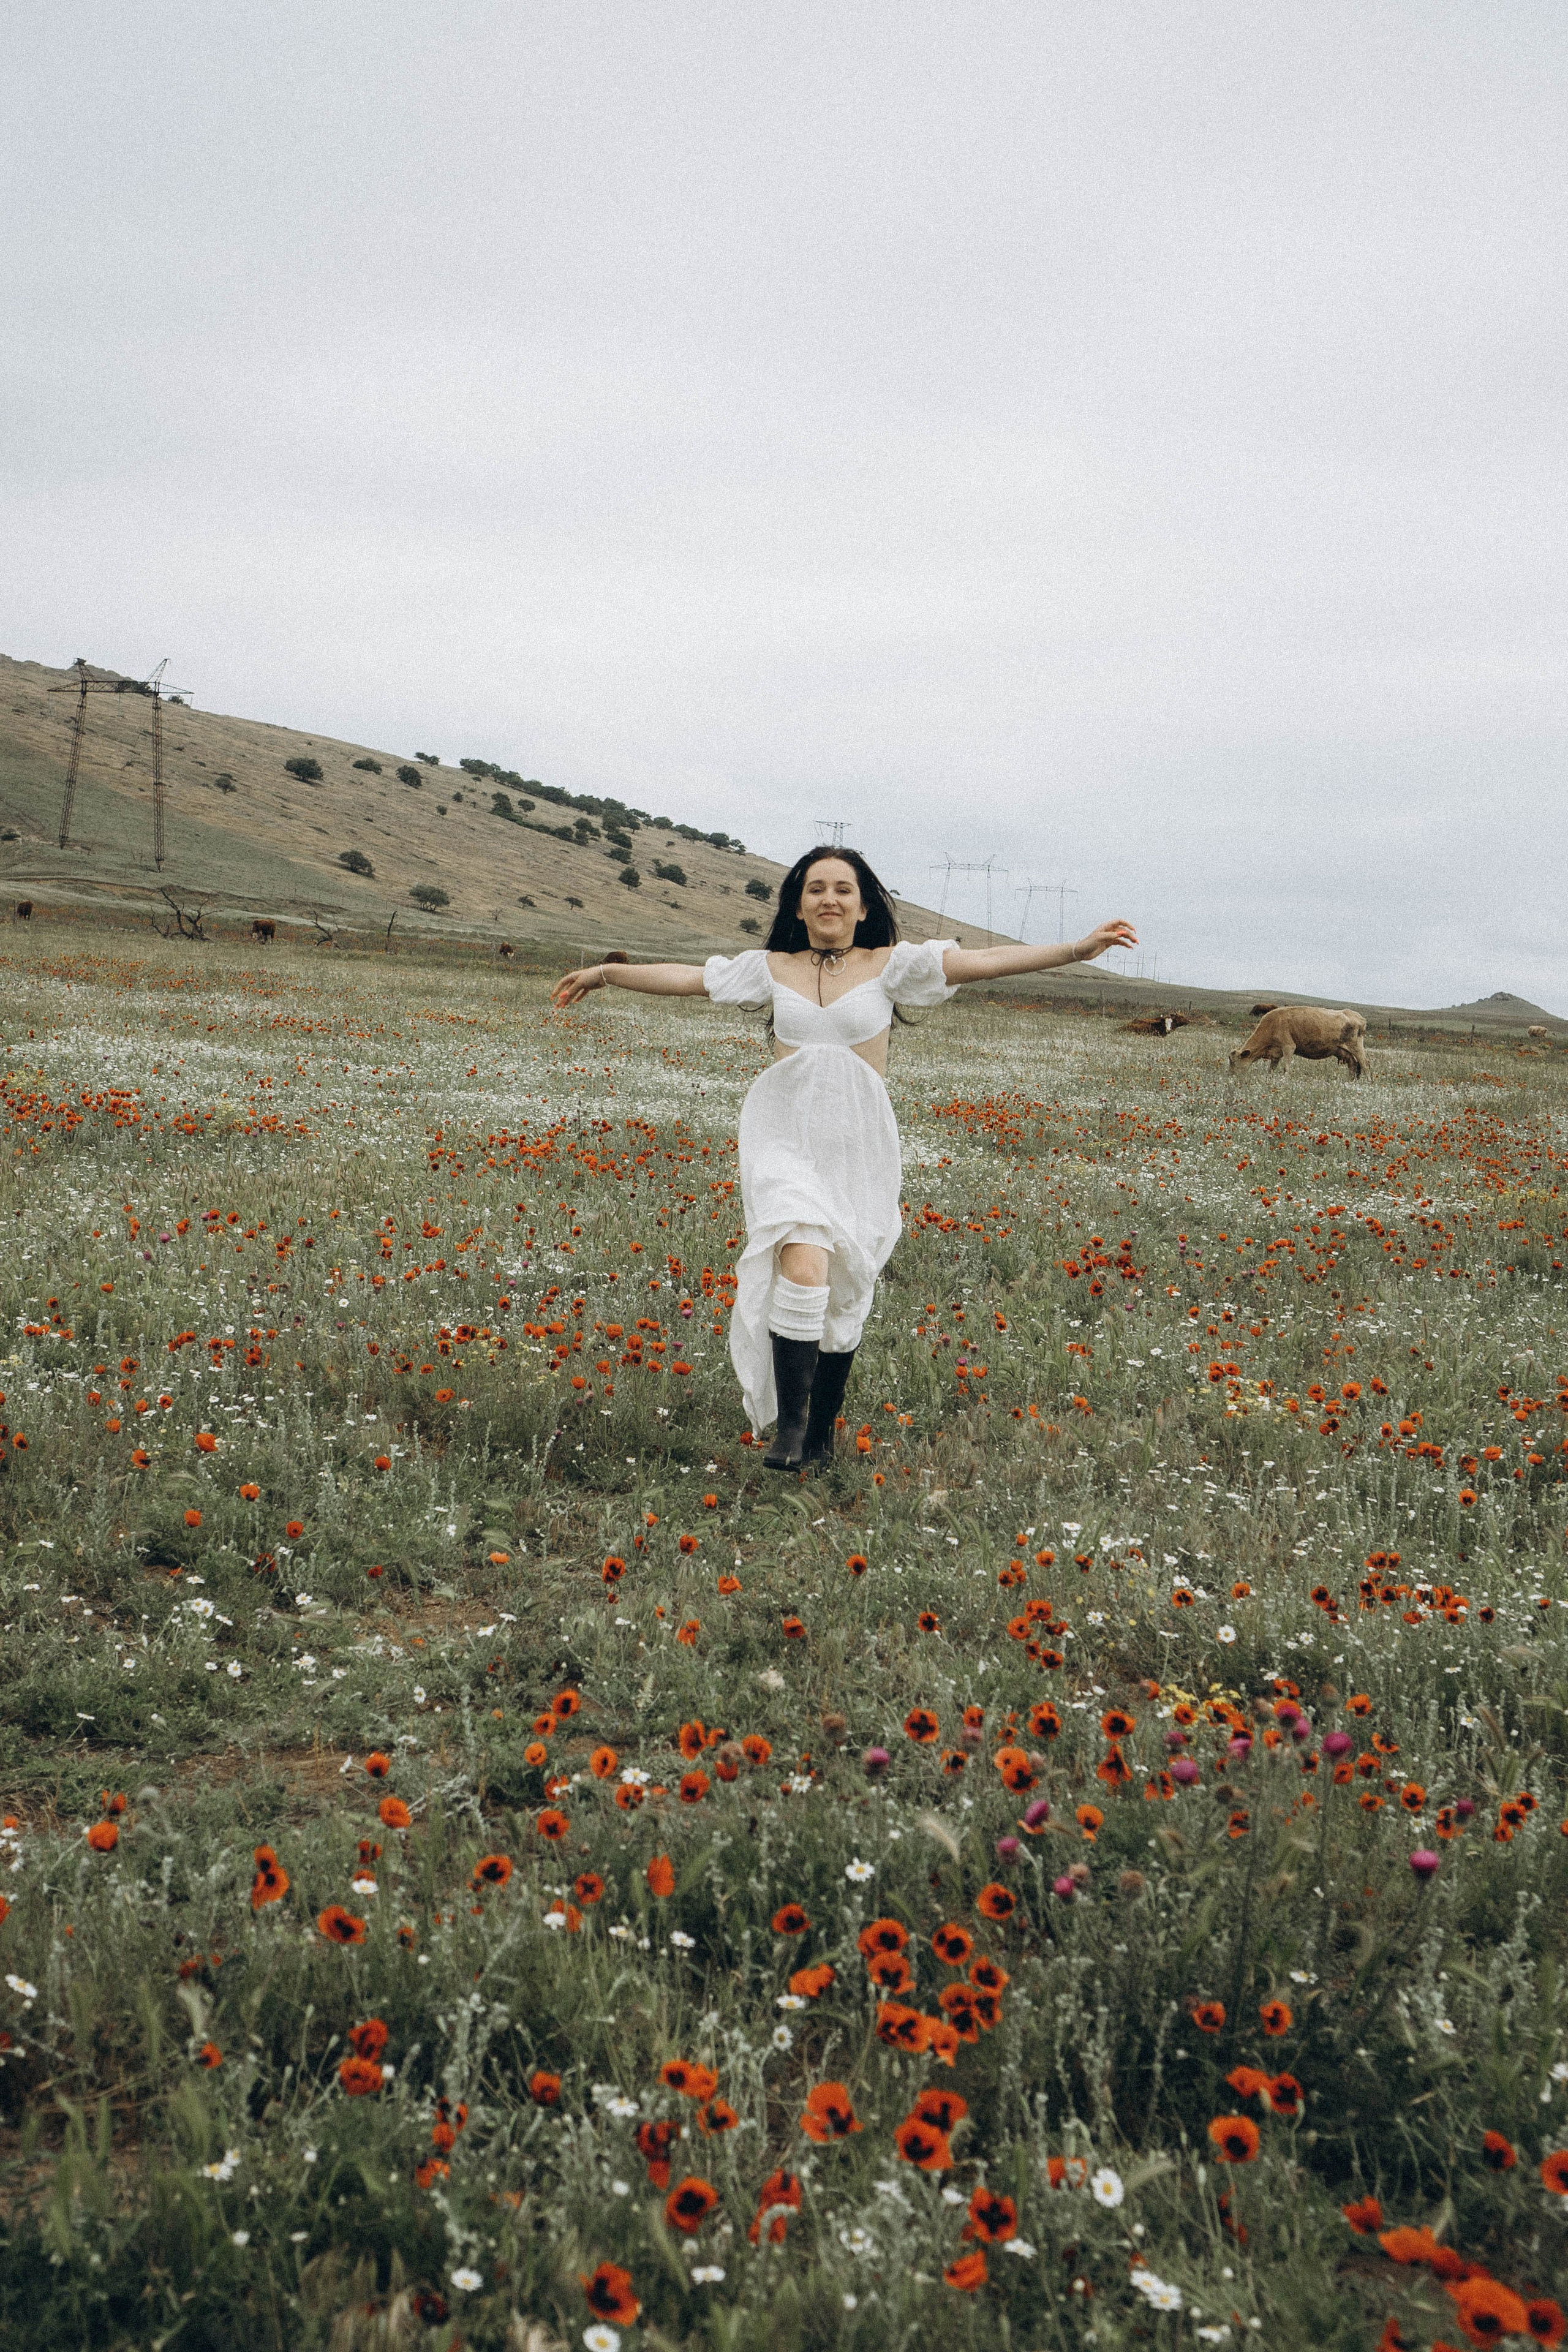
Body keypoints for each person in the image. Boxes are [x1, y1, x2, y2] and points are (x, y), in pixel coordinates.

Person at [553, 848, 1136, 1469]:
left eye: (842, 889)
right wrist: (607, 975)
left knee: (846, 1286)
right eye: (815, 889)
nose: (828, 898)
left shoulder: (894, 965)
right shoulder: (770, 968)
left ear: (863, 907)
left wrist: (1074, 950)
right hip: (783, 1138)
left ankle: (822, 1434)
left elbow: (985, 961)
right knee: (802, 1262)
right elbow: (691, 977)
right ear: (798, 906)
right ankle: (791, 1430)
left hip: (858, 1148)